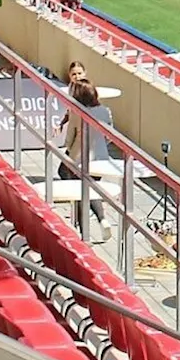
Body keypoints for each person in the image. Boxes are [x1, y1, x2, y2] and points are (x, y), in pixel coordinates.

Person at [59, 79, 114, 243]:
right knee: (90, 189)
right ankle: (102, 219)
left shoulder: (77, 112)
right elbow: (110, 134)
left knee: (82, 193)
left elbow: (70, 139)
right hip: (100, 158)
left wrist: (68, 149)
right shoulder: (105, 111)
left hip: (80, 159)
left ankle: (86, 235)